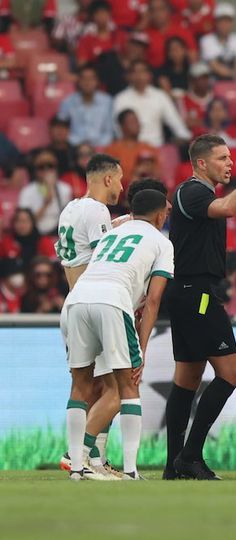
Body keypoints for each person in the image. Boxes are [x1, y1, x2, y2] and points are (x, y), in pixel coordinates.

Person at [163, 135, 236, 480]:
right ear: (201, 163)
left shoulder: (196, 193)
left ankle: (173, 466)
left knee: (186, 380)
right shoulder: (193, 191)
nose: (229, 163)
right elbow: (228, 209)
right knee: (231, 373)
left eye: (230, 157)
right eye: (222, 158)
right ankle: (190, 457)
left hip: (188, 291)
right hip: (197, 294)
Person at [63, 188, 174, 481]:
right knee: (128, 385)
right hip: (112, 301)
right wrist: (143, 349)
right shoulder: (162, 242)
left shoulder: (112, 233)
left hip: (76, 300)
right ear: (160, 214)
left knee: (81, 385)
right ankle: (129, 470)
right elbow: (153, 300)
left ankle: (76, 467)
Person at [55, 153, 124, 477]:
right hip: (95, 305)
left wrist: (122, 223)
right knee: (114, 388)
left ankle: (86, 460)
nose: (122, 187)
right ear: (107, 178)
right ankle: (83, 456)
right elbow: (104, 256)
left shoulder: (71, 208)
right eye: (120, 179)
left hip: (72, 305)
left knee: (83, 386)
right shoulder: (97, 210)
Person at [113, 60, 192, 147]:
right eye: (135, 72)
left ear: (149, 75)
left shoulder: (160, 96)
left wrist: (187, 138)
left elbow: (175, 123)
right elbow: (118, 129)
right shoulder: (121, 99)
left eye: (142, 71)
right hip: (131, 149)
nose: (139, 76)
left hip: (157, 149)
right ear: (129, 76)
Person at [18, 149, 74, 236]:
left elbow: (69, 220)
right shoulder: (27, 191)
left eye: (50, 166)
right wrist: (46, 203)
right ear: (35, 169)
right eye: (41, 167)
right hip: (35, 235)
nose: (46, 170)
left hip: (57, 235)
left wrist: (52, 187)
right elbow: (24, 224)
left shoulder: (65, 189)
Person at [58, 65, 115, 148]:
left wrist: (97, 145)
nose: (87, 82)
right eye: (84, 79)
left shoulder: (107, 102)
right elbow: (62, 128)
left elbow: (110, 132)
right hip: (74, 147)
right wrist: (78, 143)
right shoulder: (68, 102)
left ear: (97, 81)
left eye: (91, 79)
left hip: (102, 147)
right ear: (79, 81)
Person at [104, 109, 161, 191]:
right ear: (122, 126)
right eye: (132, 121)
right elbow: (110, 180)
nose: (137, 124)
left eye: (137, 121)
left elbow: (158, 173)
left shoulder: (149, 148)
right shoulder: (112, 150)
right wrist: (136, 174)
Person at [199, 2, 236, 80]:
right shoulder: (206, 40)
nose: (224, 24)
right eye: (221, 21)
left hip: (235, 79)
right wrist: (232, 74)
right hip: (214, 81)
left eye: (228, 21)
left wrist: (233, 74)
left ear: (233, 23)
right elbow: (214, 66)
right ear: (216, 22)